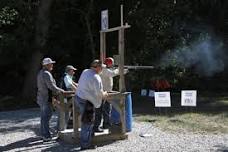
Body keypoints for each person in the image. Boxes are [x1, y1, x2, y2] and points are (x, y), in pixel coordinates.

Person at [74, 59, 108, 150]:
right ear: (97, 67)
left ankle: (86, 141)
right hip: (87, 101)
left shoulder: (85, 71)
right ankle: (85, 144)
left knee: (87, 122)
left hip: (79, 98)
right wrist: (104, 94)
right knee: (87, 123)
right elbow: (99, 93)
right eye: (101, 67)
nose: (102, 69)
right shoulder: (96, 77)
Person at [93, 57, 128, 131]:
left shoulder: (105, 69)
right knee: (100, 110)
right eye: (111, 63)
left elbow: (112, 72)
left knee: (107, 109)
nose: (112, 65)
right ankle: (97, 126)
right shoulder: (104, 69)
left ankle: (106, 124)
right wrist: (120, 70)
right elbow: (112, 73)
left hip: (107, 92)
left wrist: (120, 70)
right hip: (102, 93)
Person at [37, 57, 66, 142]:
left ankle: (44, 134)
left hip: (42, 98)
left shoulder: (40, 72)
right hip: (46, 98)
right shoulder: (46, 73)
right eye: (51, 64)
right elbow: (51, 86)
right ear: (47, 65)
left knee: (44, 117)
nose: (52, 65)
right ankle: (46, 136)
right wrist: (61, 90)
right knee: (46, 117)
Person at [57, 65, 78, 130]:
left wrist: (79, 87)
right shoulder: (66, 77)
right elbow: (70, 85)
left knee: (65, 113)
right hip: (65, 98)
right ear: (69, 71)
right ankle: (61, 129)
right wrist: (77, 91)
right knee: (65, 113)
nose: (74, 72)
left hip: (65, 97)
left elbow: (74, 83)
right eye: (73, 70)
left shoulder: (68, 77)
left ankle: (62, 128)